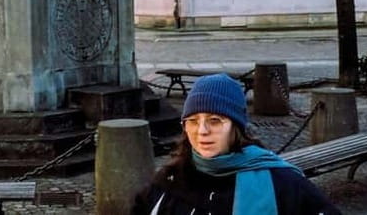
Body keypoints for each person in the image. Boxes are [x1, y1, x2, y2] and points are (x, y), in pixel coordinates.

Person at [132, 73, 341, 214]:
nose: (202, 131)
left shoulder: (281, 182)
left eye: (215, 120)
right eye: (193, 121)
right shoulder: (169, 180)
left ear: (236, 127)